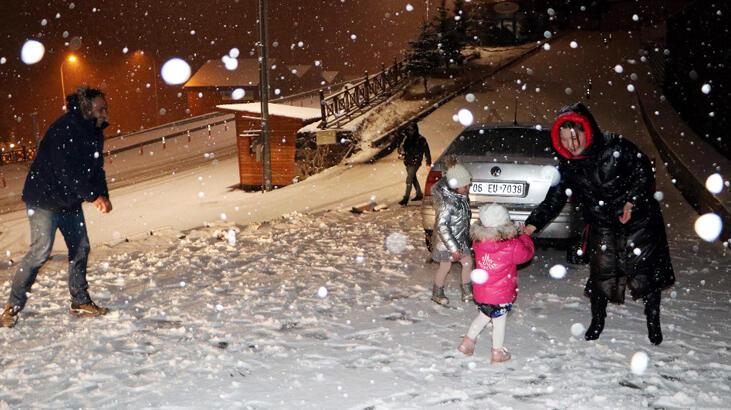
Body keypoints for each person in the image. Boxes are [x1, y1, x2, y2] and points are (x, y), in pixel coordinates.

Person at [523, 102, 674, 345]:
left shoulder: (617, 147)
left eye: (575, 137)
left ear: (587, 130)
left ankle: (653, 318)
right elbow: (555, 196)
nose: (571, 145)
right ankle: (598, 320)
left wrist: (631, 202)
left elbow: (643, 171)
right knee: (601, 272)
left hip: (639, 220)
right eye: (565, 139)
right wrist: (532, 224)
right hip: (602, 222)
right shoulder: (568, 164)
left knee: (645, 271)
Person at [1, 86, 113, 328]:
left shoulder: (94, 131)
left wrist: (102, 192)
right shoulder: (66, 129)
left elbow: (96, 168)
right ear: (87, 110)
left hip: (68, 200)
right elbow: (67, 172)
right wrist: (93, 197)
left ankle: (80, 300)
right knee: (40, 252)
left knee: (81, 247)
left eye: (106, 107)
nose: (106, 112)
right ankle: (13, 306)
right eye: (101, 109)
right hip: (44, 199)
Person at [458, 204, 534, 364]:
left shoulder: (479, 242)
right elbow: (526, 255)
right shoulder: (512, 245)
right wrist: (524, 236)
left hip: (482, 292)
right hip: (501, 294)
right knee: (499, 322)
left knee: (484, 315)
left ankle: (467, 344)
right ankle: (497, 353)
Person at [430, 160, 473, 305]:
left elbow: (465, 218)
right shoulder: (446, 204)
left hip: (460, 239)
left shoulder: (462, 196)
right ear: (455, 186)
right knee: (445, 266)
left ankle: (467, 291)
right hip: (446, 243)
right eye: (465, 186)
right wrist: (453, 248)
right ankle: (437, 292)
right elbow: (442, 227)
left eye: (468, 185)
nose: (468, 188)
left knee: (467, 263)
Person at [397, 121, 431, 206]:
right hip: (408, 161)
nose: (410, 132)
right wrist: (402, 153)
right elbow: (403, 149)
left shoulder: (421, 139)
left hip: (415, 162)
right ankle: (419, 194)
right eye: (409, 130)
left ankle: (405, 198)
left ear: (416, 130)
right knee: (413, 177)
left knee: (409, 179)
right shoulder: (407, 139)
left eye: (412, 130)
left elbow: (427, 151)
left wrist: (428, 163)